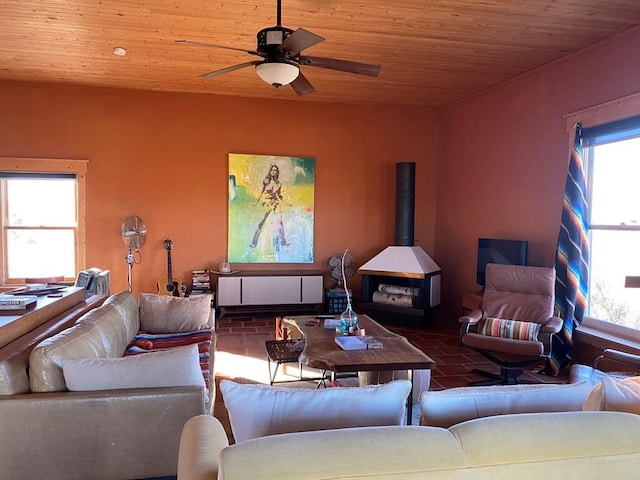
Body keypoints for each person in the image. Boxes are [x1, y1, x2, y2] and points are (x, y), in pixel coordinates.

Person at [249, 164, 290, 248]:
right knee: (261, 222)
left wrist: (286, 202)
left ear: (277, 172)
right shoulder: (267, 181)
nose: (273, 172)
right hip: (266, 203)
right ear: (270, 171)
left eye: (275, 170)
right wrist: (256, 203)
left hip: (275, 203)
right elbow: (262, 193)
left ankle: (283, 241)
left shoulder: (279, 184)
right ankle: (254, 242)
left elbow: (279, 195)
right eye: (272, 170)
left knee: (280, 222)